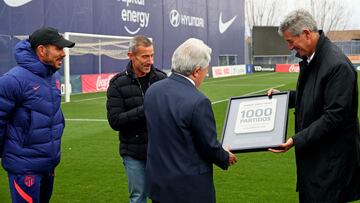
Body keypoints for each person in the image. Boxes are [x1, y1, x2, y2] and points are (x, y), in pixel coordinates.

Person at [268, 9, 360, 202]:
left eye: (290, 41)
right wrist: (284, 98)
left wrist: (296, 140)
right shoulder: (312, 59)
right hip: (315, 162)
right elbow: (311, 97)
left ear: (307, 34)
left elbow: (334, 117)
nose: (289, 48)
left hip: (331, 167)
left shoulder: (337, 66)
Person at [144, 38, 237, 203]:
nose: (205, 75)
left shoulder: (152, 91)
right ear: (196, 71)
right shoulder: (198, 101)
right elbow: (209, 146)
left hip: (159, 185)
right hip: (189, 190)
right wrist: (225, 156)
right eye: (205, 71)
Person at [0, 27, 75, 203]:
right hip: (24, 167)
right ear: (42, 50)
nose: (63, 54)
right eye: (58, 48)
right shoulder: (13, 80)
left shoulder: (53, 77)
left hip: (48, 165)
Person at [106, 35, 166, 203]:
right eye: (145, 56)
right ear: (131, 55)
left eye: (152, 55)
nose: (150, 61)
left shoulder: (161, 79)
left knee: (162, 196)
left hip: (160, 152)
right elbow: (115, 121)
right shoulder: (117, 84)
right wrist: (145, 109)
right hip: (133, 153)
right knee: (138, 197)